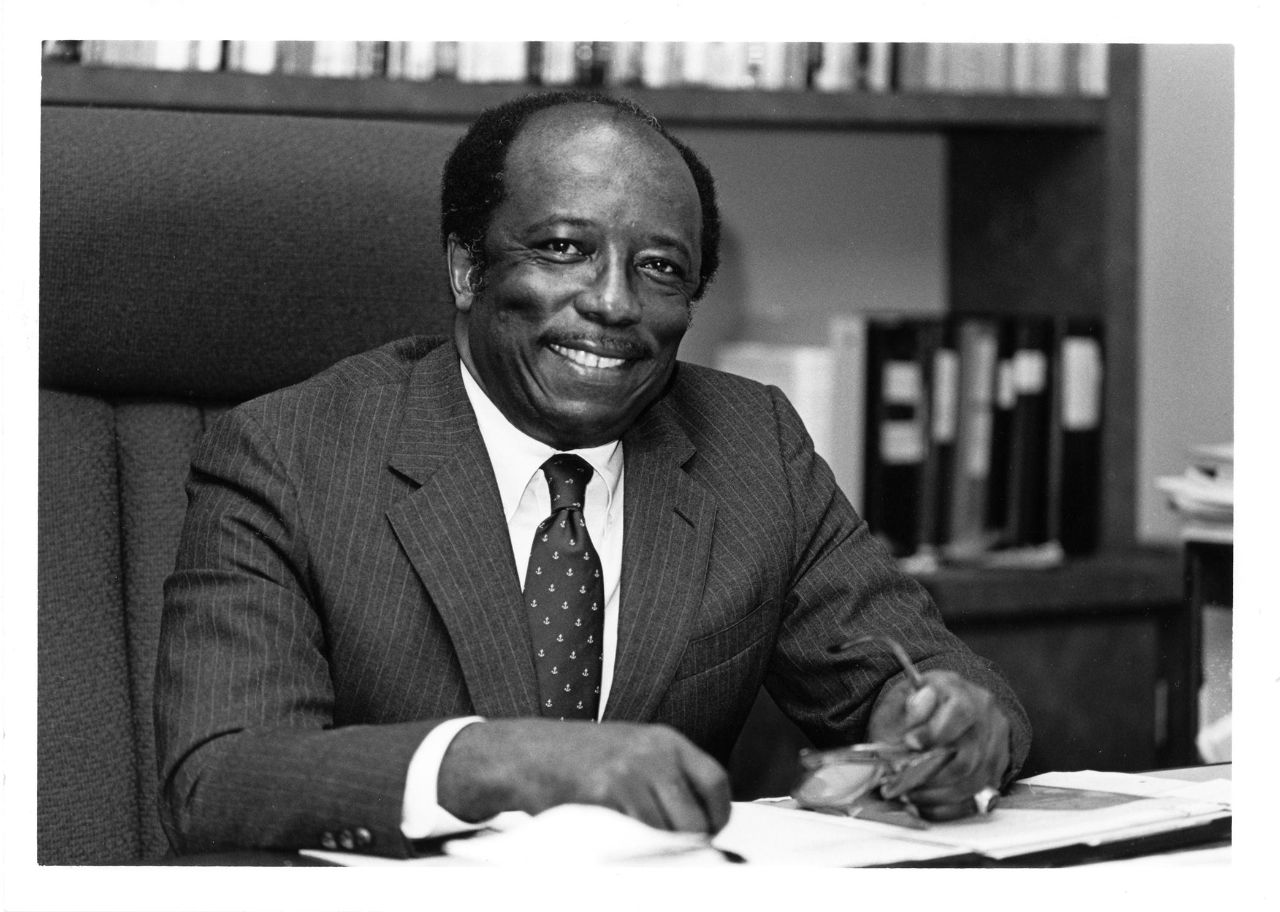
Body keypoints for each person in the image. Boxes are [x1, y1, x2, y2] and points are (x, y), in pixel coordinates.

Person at [155, 91, 1030, 858]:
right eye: (566, 248)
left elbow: (917, 676)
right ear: (467, 269)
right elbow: (220, 776)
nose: (614, 302)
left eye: (659, 268)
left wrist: (954, 729)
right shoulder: (287, 454)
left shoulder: (750, 443)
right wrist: (515, 759)